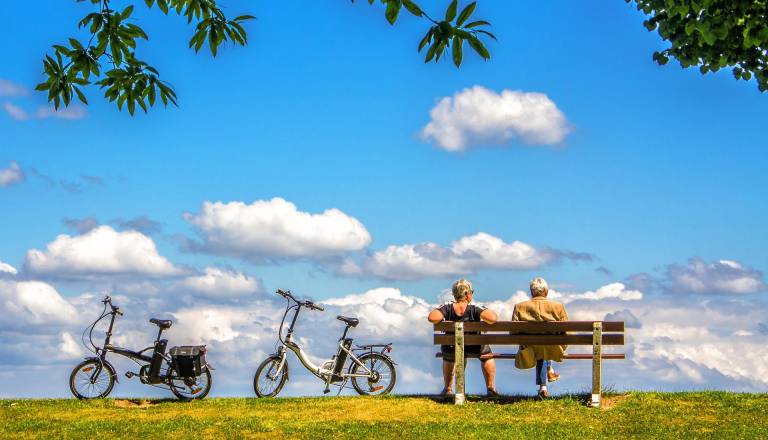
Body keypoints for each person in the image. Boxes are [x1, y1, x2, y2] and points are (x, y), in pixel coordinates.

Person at [427, 279, 499, 397]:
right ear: (467, 294)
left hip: (451, 348)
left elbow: (432, 317)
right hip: (474, 347)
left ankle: (448, 389)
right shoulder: (474, 308)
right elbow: (493, 318)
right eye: (471, 292)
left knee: (449, 357)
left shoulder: (447, 308)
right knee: (487, 356)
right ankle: (491, 388)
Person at [512, 277, 569, 399]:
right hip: (552, 348)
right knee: (544, 345)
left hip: (529, 349)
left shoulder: (519, 307)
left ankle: (543, 386)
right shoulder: (558, 306)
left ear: (532, 292)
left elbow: (513, 332)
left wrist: (523, 343)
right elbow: (566, 332)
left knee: (538, 346)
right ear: (546, 292)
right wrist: (562, 347)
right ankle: (548, 374)